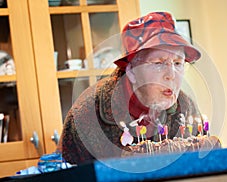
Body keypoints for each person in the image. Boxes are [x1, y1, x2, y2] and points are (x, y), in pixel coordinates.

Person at [57, 11, 218, 164]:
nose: (171, 75)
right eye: (158, 63)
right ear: (132, 72)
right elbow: (64, 180)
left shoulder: (186, 107)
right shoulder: (88, 112)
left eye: (178, 63)